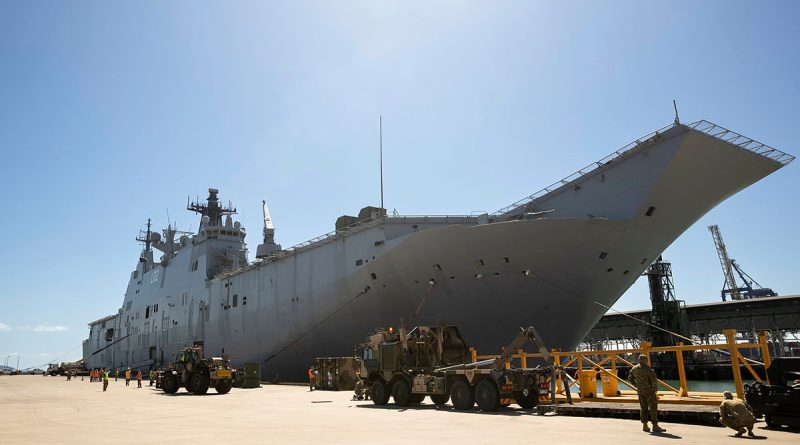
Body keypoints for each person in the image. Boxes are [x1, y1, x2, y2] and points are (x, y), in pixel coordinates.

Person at [628, 354, 665, 433]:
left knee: (643, 408)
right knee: (653, 408)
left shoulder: (634, 369)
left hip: (640, 391)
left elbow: (630, 378)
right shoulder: (648, 369)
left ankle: (645, 426)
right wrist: (655, 389)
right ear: (645, 360)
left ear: (638, 360)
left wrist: (636, 385)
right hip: (649, 391)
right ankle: (655, 426)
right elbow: (654, 379)